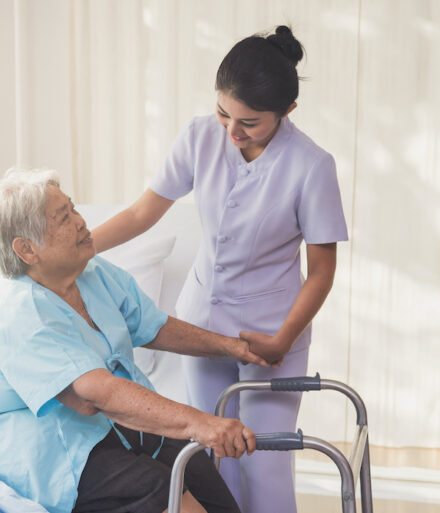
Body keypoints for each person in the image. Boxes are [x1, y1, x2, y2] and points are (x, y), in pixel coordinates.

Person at [90, 26, 349, 513]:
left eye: (250, 122)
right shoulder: (198, 137)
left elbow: (321, 272)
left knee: (265, 460)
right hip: (203, 328)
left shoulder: (312, 166)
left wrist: (283, 341)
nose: (232, 131)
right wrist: (82, 248)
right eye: (223, 113)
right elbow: (142, 214)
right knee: (214, 457)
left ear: (286, 112)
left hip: (274, 333)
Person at [0, 168, 270, 513]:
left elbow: (154, 326)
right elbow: (96, 394)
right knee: (157, 487)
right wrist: (201, 422)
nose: (80, 222)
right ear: (27, 250)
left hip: (101, 422)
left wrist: (235, 348)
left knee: (192, 462)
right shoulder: (17, 312)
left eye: (74, 209)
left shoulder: (91, 273)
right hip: (36, 442)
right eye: (63, 218)